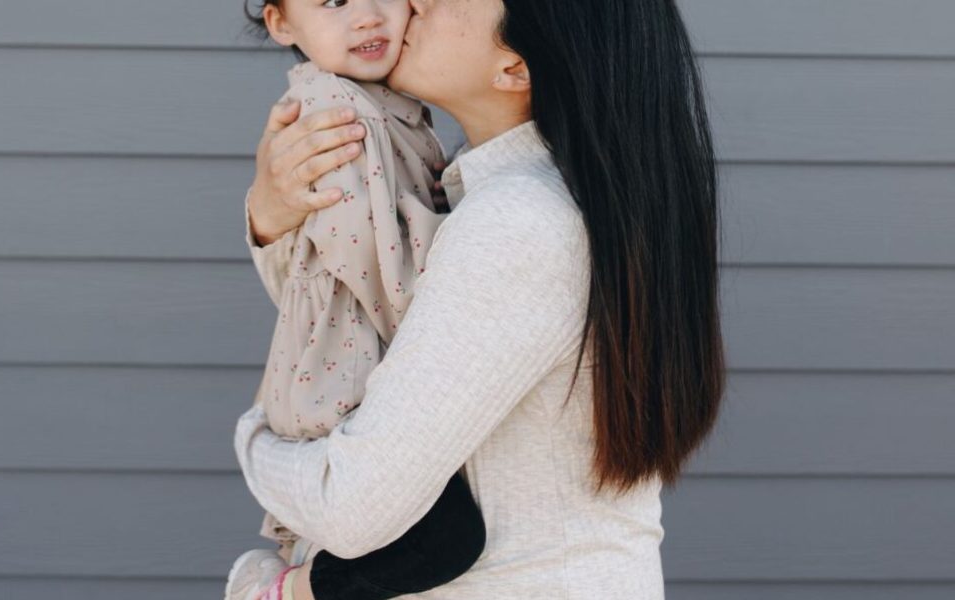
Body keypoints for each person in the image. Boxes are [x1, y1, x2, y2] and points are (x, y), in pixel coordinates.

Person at [236, 0, 727, 597]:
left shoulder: (517, 222)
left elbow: (351, 504)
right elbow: (345, 324)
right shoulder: (500, 195)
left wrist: (255, 436)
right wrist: (272, 215)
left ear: (514, 69)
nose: (410, 3)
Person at [224, 1, 487, 599]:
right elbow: (371, 261)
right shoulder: (337, 114)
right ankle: (278, 591)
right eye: (334, 1)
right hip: (342, 377)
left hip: (349, 366)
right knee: (441, 539)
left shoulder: (386, 104)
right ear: (282, 23)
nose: (367, 16)